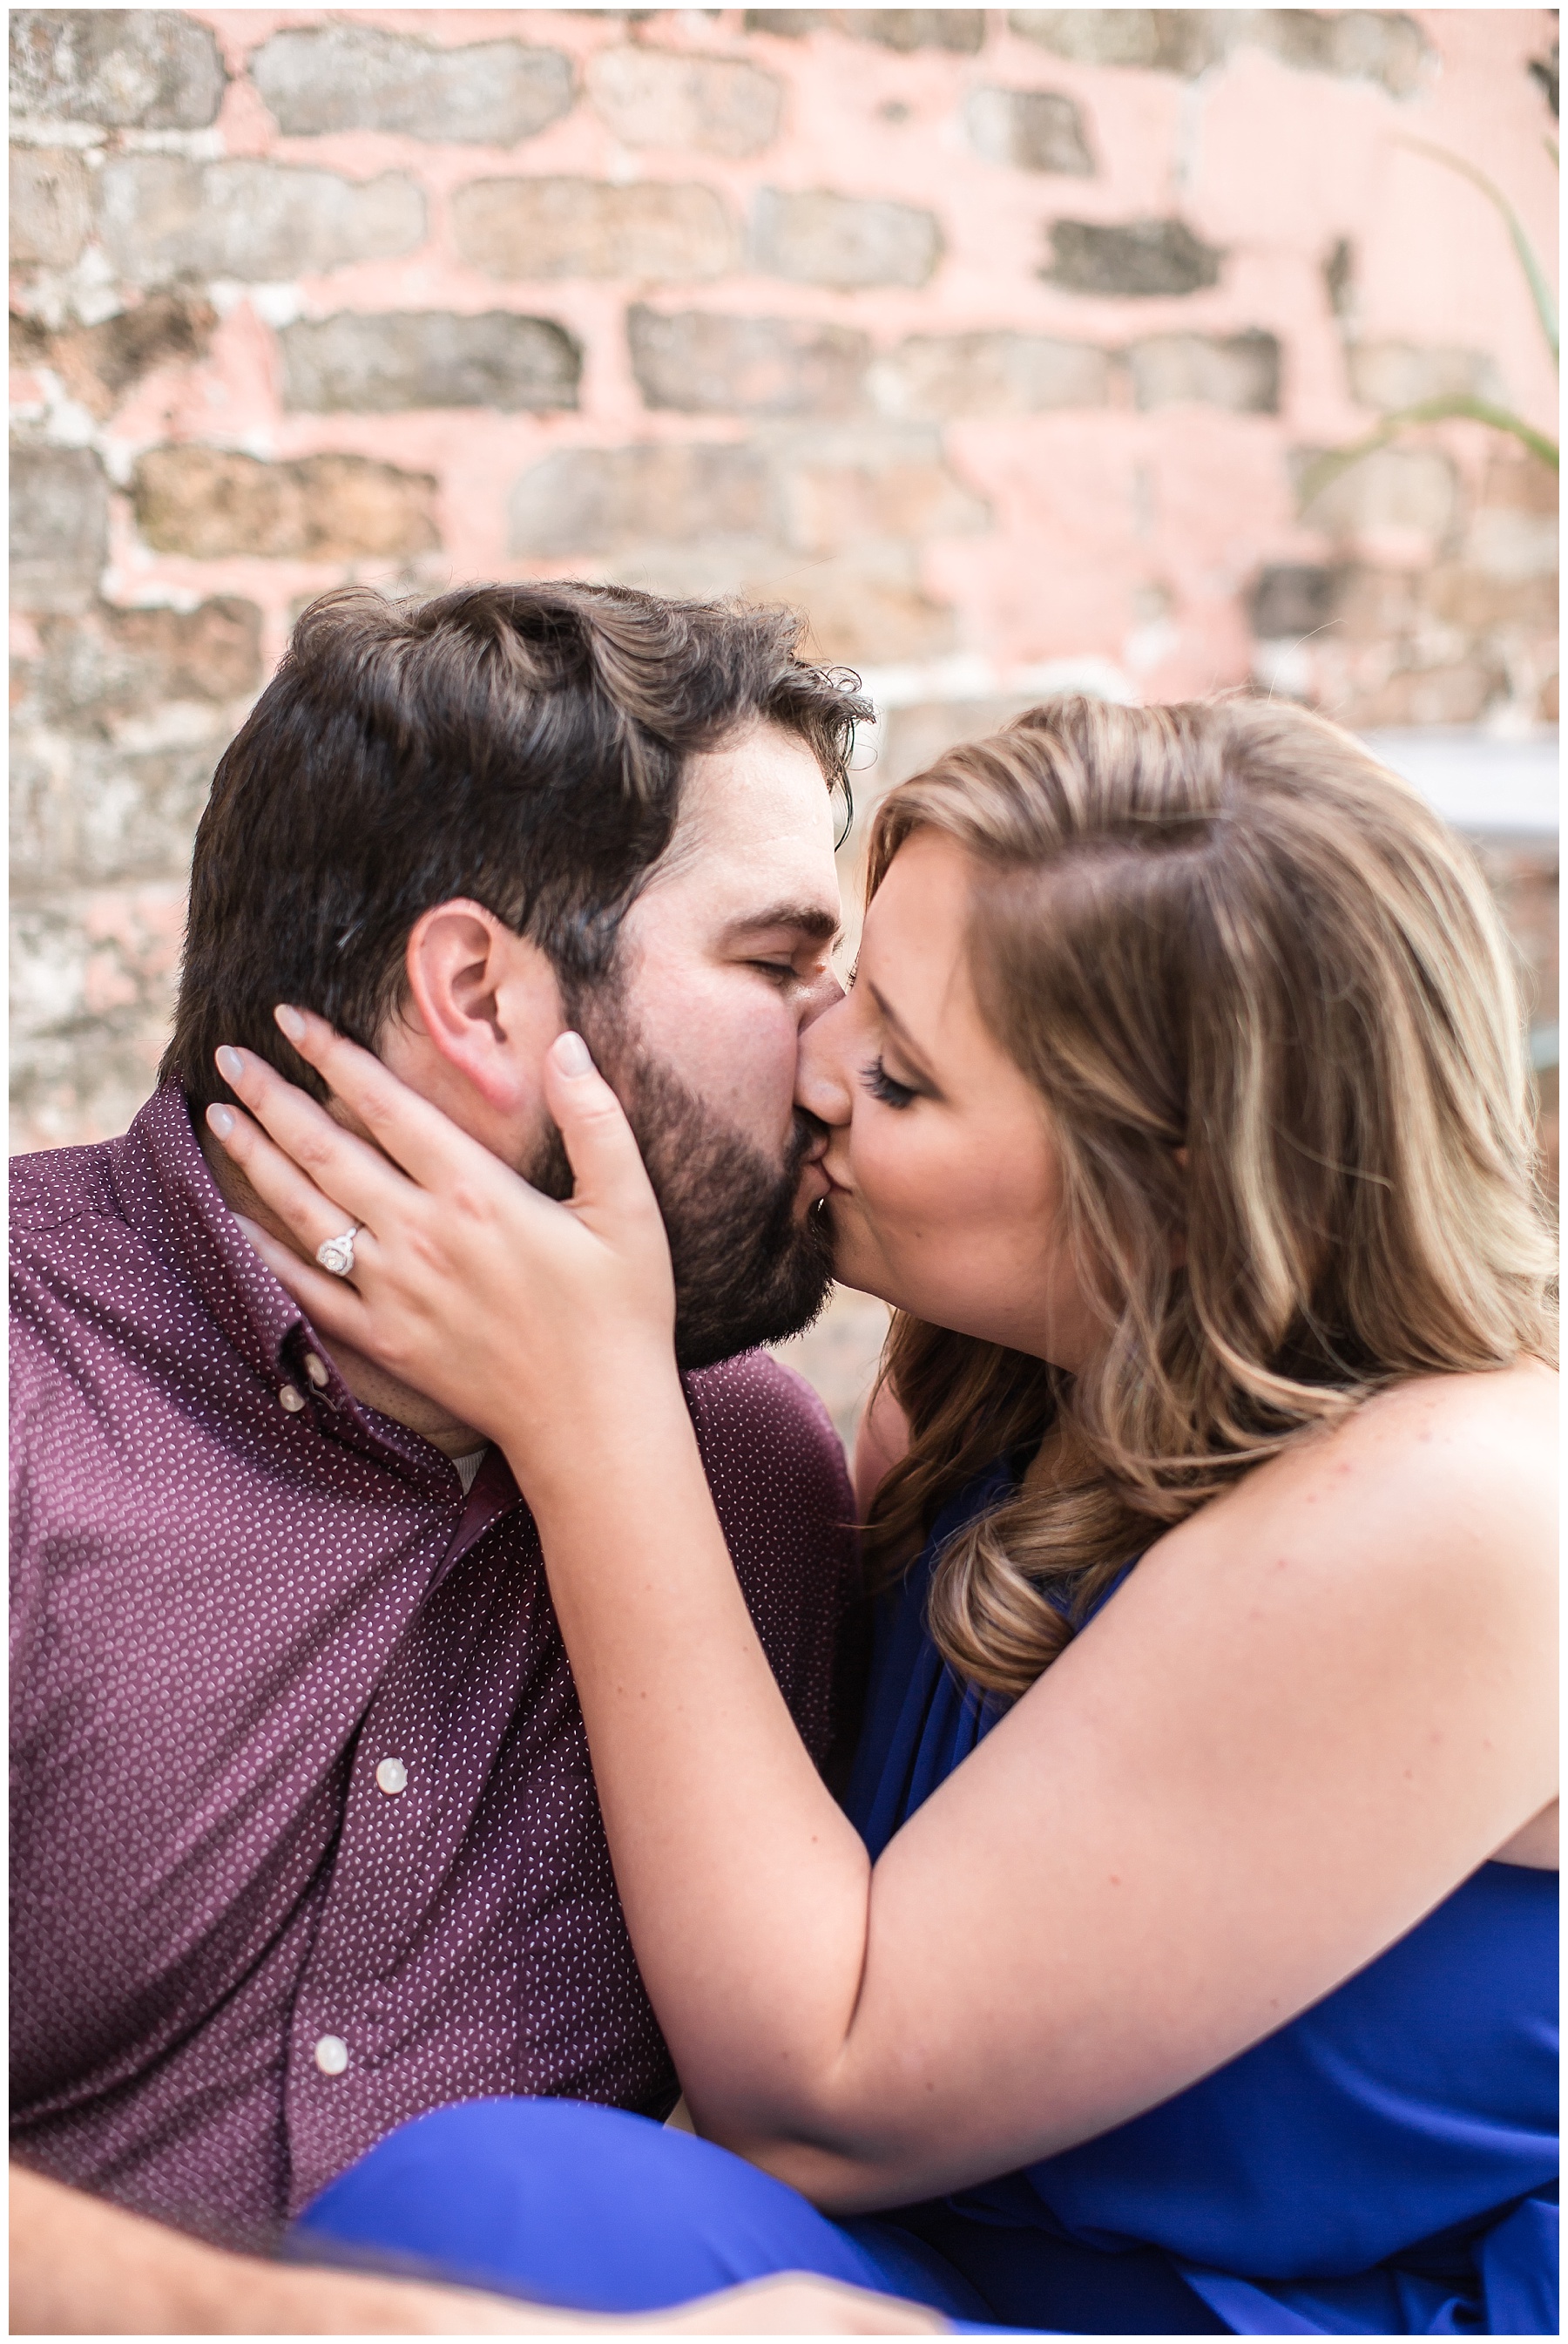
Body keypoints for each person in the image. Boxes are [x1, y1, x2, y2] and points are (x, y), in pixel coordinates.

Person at [211, 694, 1557, 2335]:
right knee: (484, 2209)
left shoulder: (1469, 1504)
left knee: (488, 2213)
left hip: (1294, 2313)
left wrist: (595, 1414)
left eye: (906, 1076)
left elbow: (817, 2089)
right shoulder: (976, 1396)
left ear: (1174, 1189)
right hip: (922, 2274)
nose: (819, 1067)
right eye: (842, 979)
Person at [10, 581, 943, 2336]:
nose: (841, 1060)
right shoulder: (27, 1396)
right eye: (778, 962)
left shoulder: (749, 1478)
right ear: (478, 995)